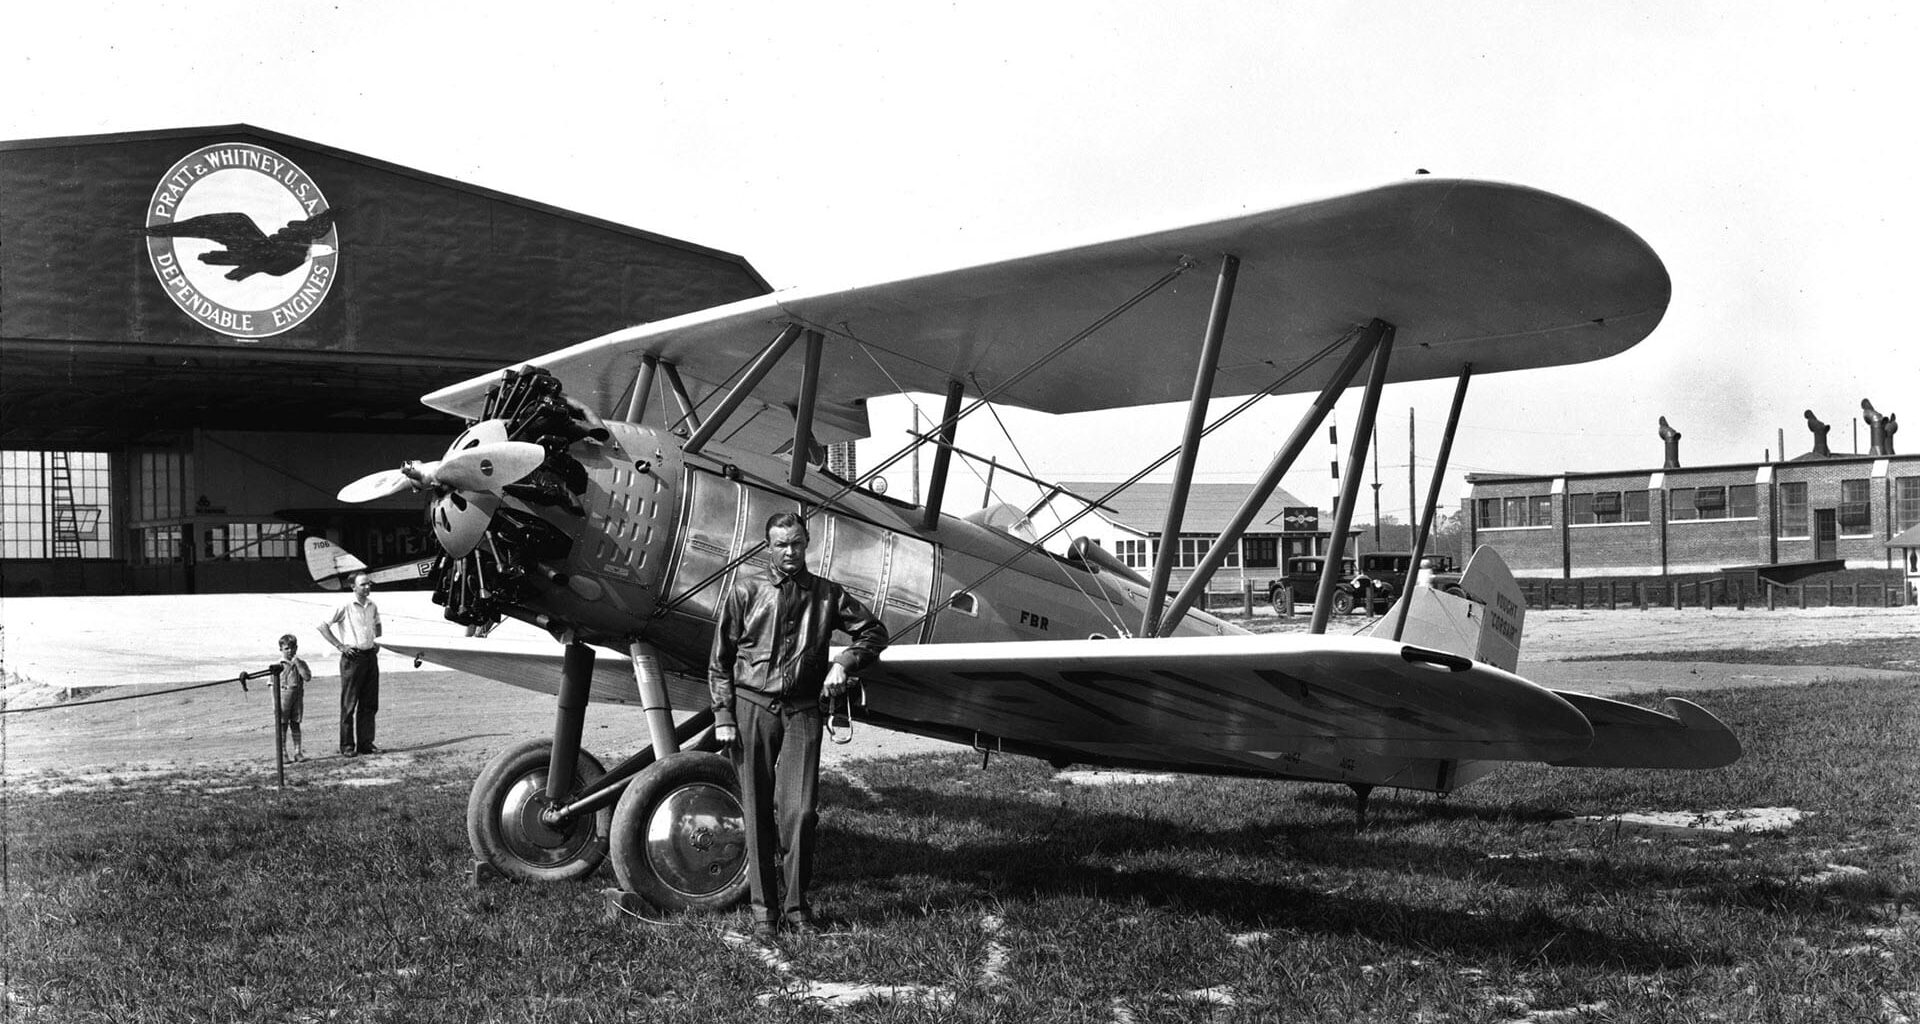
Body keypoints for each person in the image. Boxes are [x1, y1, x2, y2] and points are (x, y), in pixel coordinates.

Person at [709, 512, 887, 939]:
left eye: (797, 544)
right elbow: (719, 661)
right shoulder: (746, 591)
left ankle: (797, 908)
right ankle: (763, 914)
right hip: (752, 708)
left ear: (807, 545)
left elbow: (874, 633)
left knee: (801, 813)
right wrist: (724, 716)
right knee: (756, 812)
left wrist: (843, 663)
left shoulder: (827, 595)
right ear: (767, 547)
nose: (789, 552)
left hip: (803, 711)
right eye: (781, 544)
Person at [318, 572, 383, 757]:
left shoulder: (372, 605)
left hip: (370, 657)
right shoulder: (344, 605)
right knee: (349, 704)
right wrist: (340, 646)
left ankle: (366, 744)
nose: (367, 587)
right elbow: (323, 625)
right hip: (352, 658)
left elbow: (378, 624)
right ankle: (347, 746)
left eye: (368, 584)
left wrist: (378, 641)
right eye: (363, 584)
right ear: (353, 587)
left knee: (369, 703)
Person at [274, 633, 312, 761]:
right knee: (282, 724)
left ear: (297, 648)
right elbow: (271, 684)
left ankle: (298, 752)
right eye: (286, 648)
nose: (290, 651)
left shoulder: (300, 663)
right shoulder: (278, 665)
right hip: (283, 697)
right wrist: (275, 701)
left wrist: (298, 664)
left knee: (296, 723)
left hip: (297, 697)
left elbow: (307, 677)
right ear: (281, 649)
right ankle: (283, 753)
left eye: (293, 648)